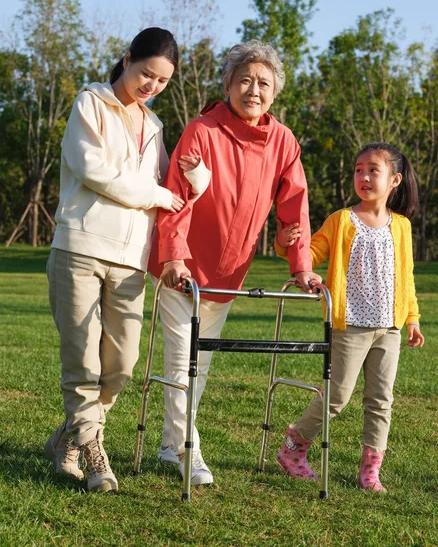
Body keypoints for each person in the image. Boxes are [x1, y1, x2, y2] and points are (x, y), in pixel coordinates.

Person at [147, 39, 322, 486]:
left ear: (275, 92)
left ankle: (170, 445)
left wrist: (300, 265)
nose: (253, 90)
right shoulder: (202, 130)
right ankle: (190, 451)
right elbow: (176, 200)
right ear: (228, 83)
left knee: (198, 364)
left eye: (263, 82)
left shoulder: (283, 140)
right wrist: (173, 256)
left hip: (229, 275)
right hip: (183, 270)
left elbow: (295, 207)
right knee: (183, 359)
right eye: (244, 79)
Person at [44, 27, 210, 493]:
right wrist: (158, 192)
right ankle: (95, 454)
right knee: (83, 360)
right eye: (145, 74)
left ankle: (69, 434)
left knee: (121, 365)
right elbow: (94, 171)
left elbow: (169, 189)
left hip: (131, 259)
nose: (151, 86)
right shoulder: (91, 104)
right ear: (127, 59)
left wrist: (196, 177)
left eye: (161, 82)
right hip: (79, 247)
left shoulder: (154, 125)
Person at [274, 142, 425, 492]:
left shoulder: (401, 226)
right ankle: (293, 448)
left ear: (395, 180)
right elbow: (309, 254)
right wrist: (284, 245)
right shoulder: (342, 220)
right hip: (350, 325)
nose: (364, 176)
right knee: (337, 397)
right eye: (358, 169)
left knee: (380, 400)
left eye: (374, 169)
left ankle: (370, 472)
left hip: (389, 328)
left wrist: (412, 318)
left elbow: (407, 276)